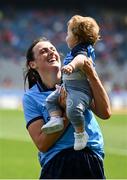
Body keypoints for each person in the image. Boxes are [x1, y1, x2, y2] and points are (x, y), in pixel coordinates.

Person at [22, 37, 111, 179]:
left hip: (89, 157)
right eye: (44, 51)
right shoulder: (31, 97)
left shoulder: (78, 79)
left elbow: (105, 112)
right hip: (57, 162)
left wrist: (91, 74)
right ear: (32, 64)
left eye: (53, 49)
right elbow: (42, 144)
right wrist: (68, 112)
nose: (51, 52)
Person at [41, 15, 100, 151]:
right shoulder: (74, 51)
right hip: (69, 88)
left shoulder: (81, 51)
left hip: (80, 91)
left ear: (77, 38)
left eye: (68, 33)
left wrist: (71, 66)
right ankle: (55, 119)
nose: (66, 37)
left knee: (73, 109)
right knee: (50, 101)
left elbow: (81, 59)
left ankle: (80, 133)